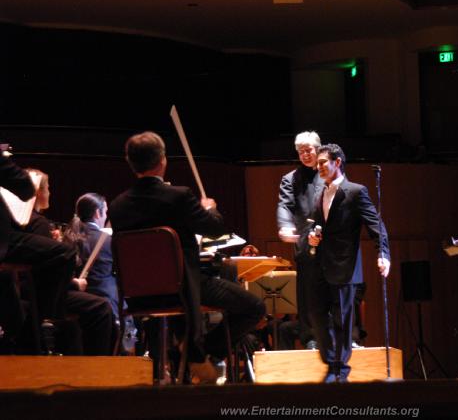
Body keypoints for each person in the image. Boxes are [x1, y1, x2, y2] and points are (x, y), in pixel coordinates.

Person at [109, 131, 265, 382]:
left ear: (130, 163)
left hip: (139, 295)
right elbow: (215, 228)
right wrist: (210, 210)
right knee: (255, 307)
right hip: (184, 289)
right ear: (162, 160)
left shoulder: (117, 206)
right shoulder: (179, 197)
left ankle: (184, 353)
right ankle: (199, 354)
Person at [307, 143, 391, 383]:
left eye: (323, 162)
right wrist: (312, 234)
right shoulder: (318, 192)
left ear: (337, 162)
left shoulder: (355, 191)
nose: (319, 166)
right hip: (321, 265)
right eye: (319, 163)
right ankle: (331, 361)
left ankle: (339, 370)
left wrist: (383, 253)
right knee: (316, 314)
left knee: (342, 320)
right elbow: (316, 225)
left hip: (345, 265)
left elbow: (376, 225)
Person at [25, 170, 114, 355]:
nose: (50, 192)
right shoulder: (38, 223)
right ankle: (98, 370)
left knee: (75, 325)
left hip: (29, 291)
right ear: (39, 193)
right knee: (102, 308)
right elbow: (45, 273)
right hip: (42, 294)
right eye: (48, 188)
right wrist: (74, 282)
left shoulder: (30, 224)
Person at [0, 154, 75, 353]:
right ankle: (37, 332)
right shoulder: (38, 222)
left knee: (5, 280)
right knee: (65, 254)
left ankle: (18, 338)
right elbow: (24, 188)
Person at [276, 131, 323, 349]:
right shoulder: (291, 179)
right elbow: (285, 205)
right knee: (308, 295)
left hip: (331, 243)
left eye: (309, 150)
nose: (305, 155)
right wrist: (285, 225)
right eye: (301, 151)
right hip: (305, 244)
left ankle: (344, 337)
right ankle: (311, 338)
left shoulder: (330, 173)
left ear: (318, 149)